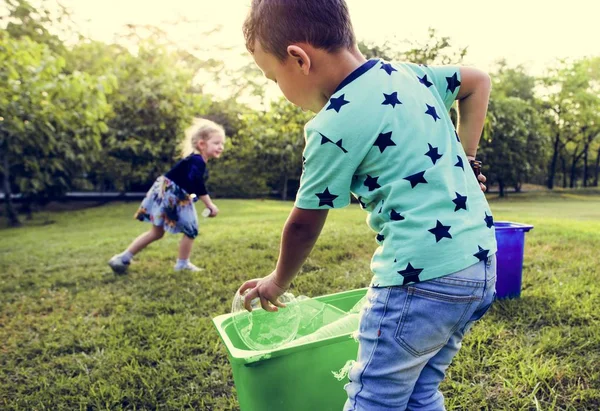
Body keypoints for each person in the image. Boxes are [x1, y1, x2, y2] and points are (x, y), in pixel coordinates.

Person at [237, 1, 497, 410]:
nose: (279, 91)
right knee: (419, 393)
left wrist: (277, 282)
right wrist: (466, 156)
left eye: (272, 79)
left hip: (420, 280)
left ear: (298, 59)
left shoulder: (332, 125)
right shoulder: (408, 75)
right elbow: (478, 81)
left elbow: (305, 224)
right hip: (478, 268)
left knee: (372, 397)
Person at [108, 118, 224, 274]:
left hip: (165, 191)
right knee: (191, 229)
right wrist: (209, 204)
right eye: (216, 143)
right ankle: (182, 264)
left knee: (156, 232)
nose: (221, 147)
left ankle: (122, 258)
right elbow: (196, 182)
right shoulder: (197, 160)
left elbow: (189, 183)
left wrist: (193, 196)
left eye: (222, 144)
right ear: (202, 144)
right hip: (171, 193)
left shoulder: (193, 161)